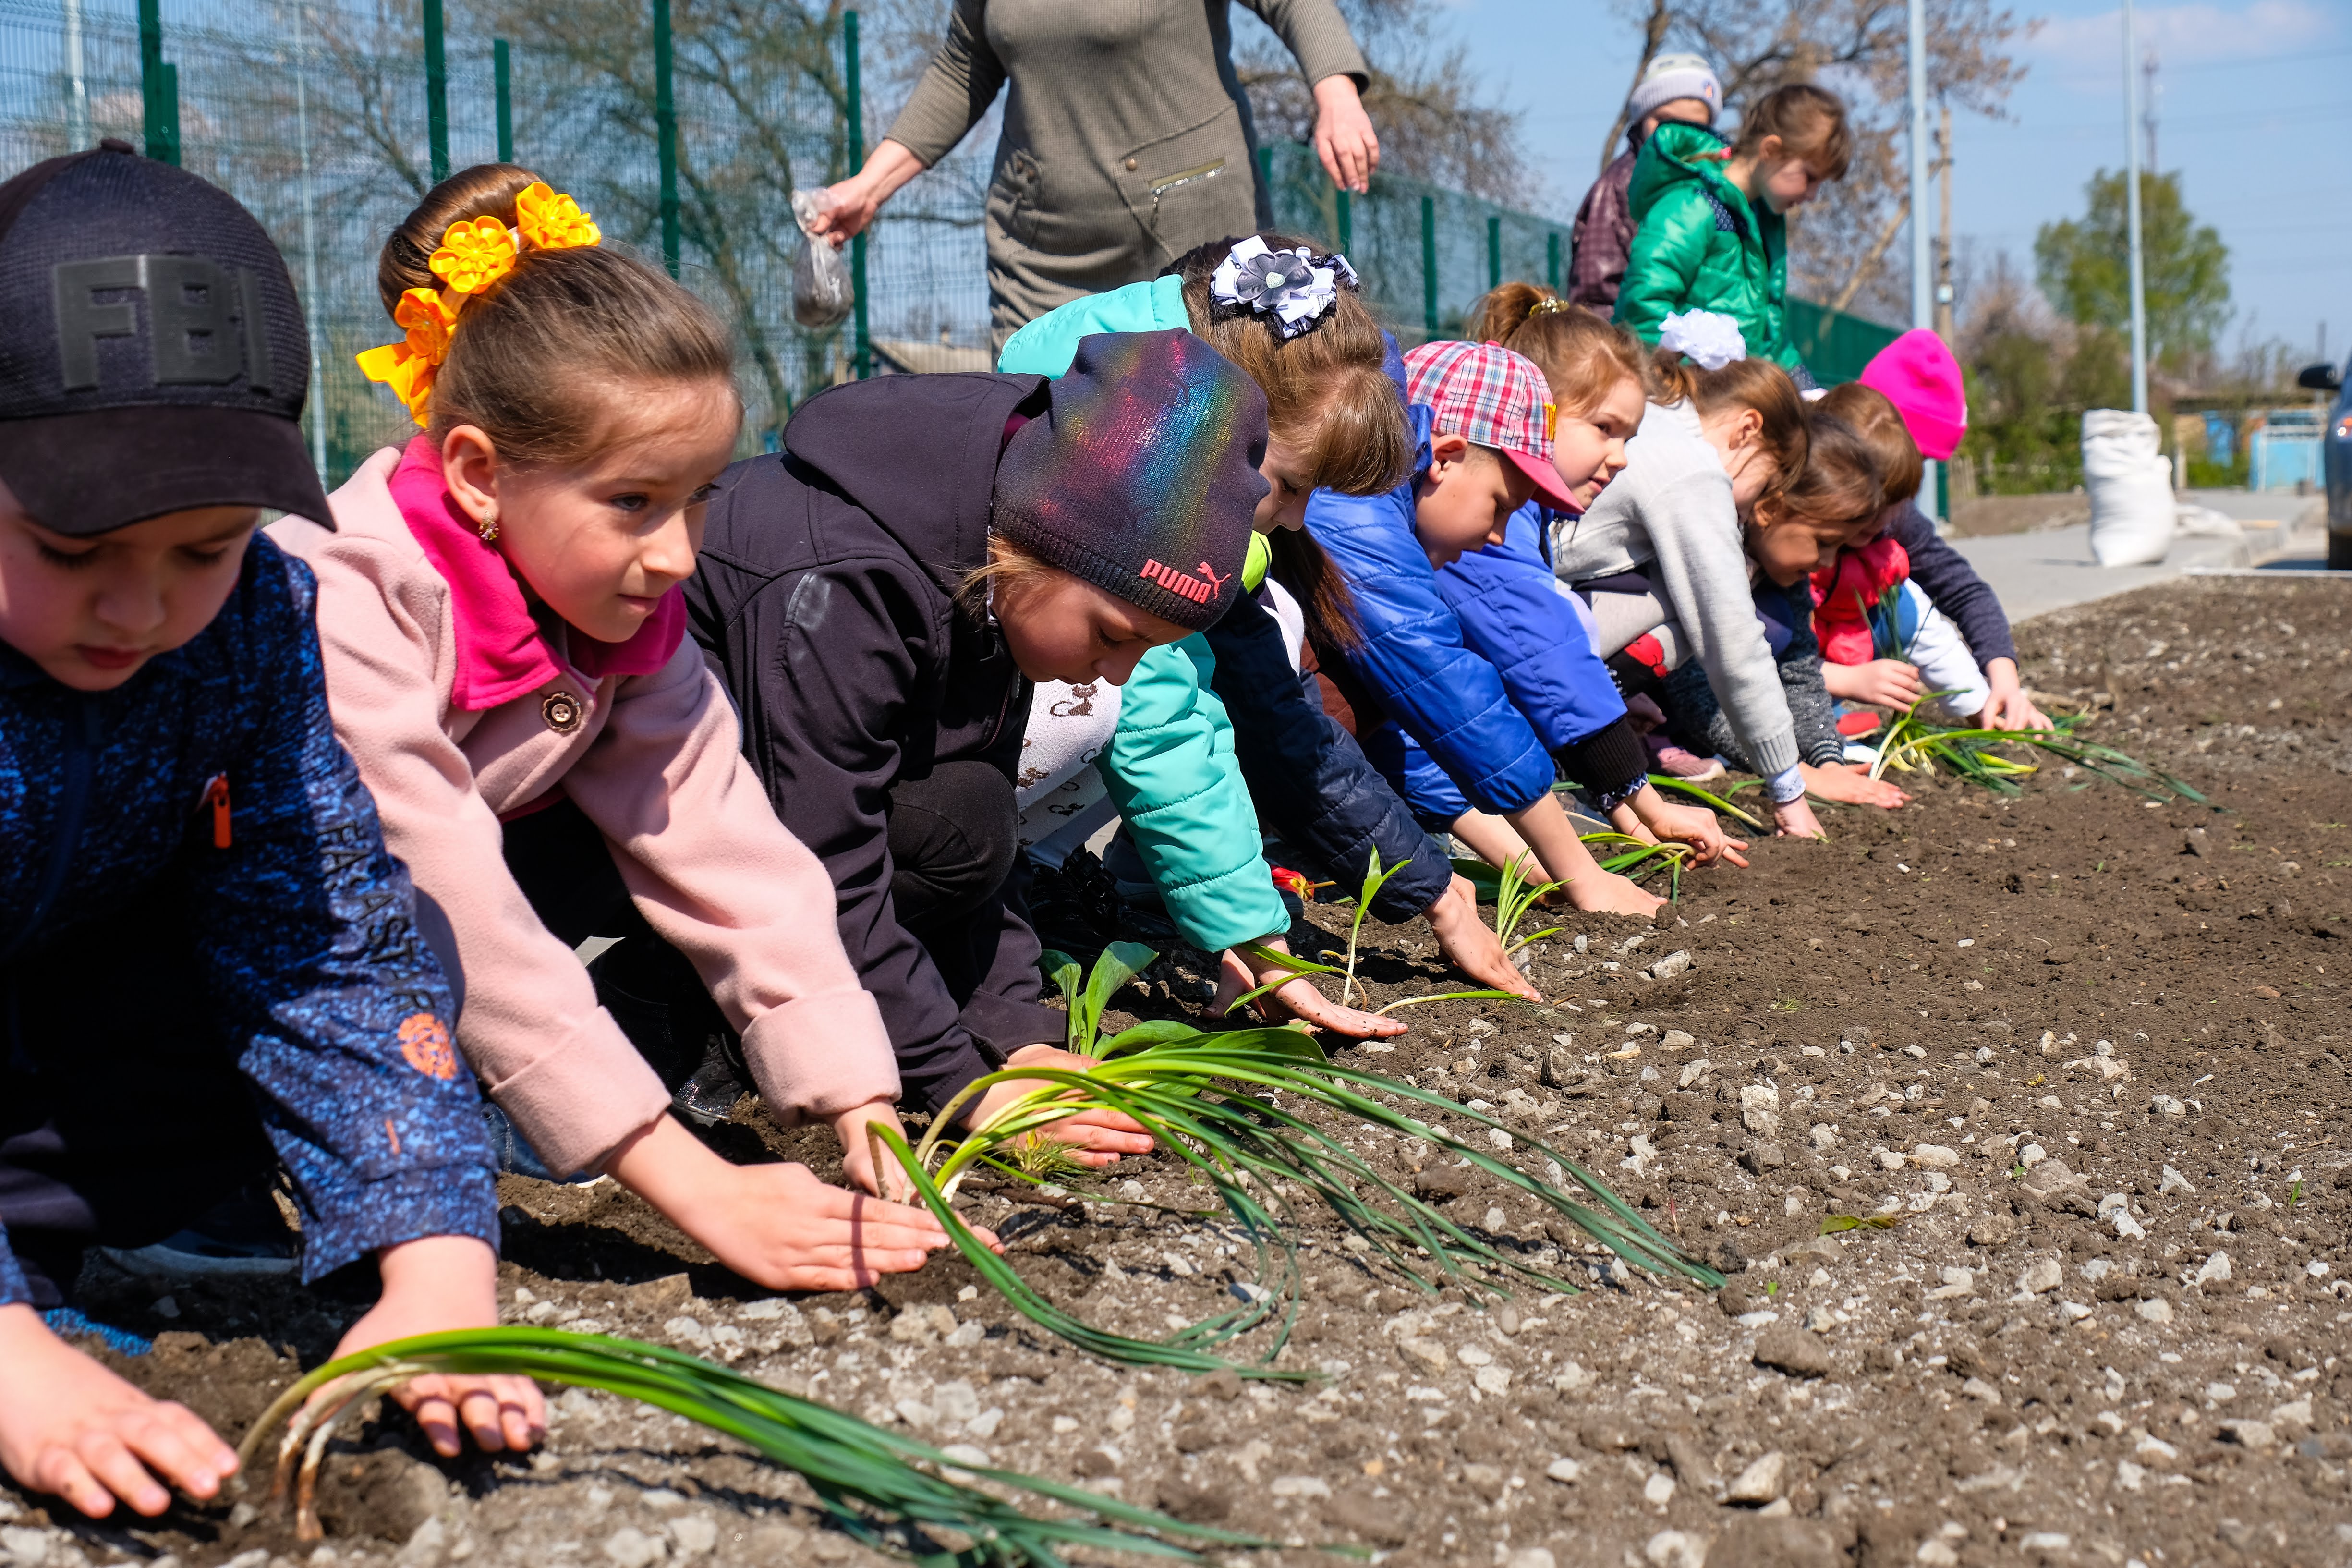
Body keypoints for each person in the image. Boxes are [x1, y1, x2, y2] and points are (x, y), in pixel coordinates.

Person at [276, 164, 958, 1295]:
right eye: (634, 503)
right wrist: (698, 1187)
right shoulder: (346, 589)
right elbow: (442, 894)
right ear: (480, 475)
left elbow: (720, 833)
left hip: (431, 920)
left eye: (696, 497)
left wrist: (858, 1089)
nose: (682, 552)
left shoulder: (617, 599)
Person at [0, 145, 540, 1523]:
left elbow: (321, 929)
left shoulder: (251, 623)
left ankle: (151, 1202)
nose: (143, 608)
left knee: (386, 912)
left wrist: (433, 1250)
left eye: (207, 544)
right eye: (74, 551)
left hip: (70, 982)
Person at [684, 329, 1266, 1159]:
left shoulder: (994, 560)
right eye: (1112, 636)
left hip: (767, 818)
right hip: (601, 831)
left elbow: (985, 845)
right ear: (1039, 545)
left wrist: (1015, 1033)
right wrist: (961, 1083)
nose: (1118, 679)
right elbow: (825, 862)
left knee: (969, 815)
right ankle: (660, 1010)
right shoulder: (840, 581)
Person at [997, 233, 1532, 1012]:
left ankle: (1040, 873)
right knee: (1120, 691)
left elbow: (1281, 722)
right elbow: (1161, 715)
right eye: (1283, 485)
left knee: (1265, 629)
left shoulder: (1189, 449)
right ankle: (1016, 880)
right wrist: (1251, 937)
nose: (1289, 521)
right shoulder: (1112, 454)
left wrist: (1437, 894)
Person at [1304, 339, 1666, 915]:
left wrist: (1525, 863)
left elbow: (1410, 733)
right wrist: (1580, 875)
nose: (1498, 535)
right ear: (1443, 459)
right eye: (1500, 505)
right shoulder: (1360, 507)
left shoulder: (1377, 501)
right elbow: (1452, 696)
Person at [812, 0, 1381, 347]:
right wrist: (869, 186)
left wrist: (1335, 92)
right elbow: (967, 59)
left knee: (1195, 455)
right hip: (1038, 244)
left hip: (1187, 233)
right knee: (1033, 448)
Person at [1444, 284, 1747, 867]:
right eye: (1605, 429)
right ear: (1538, 411)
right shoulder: (1484, 517)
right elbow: (1542, 655)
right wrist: (1644, 804)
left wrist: (1628, 808)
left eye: (1629, 436)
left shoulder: (1516, 510)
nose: (1622, 456)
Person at [1547, 310, 1826, 838]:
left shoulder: (1655, 419)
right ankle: (1563, 750)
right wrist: (1786, 786)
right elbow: (1731, 637)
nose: (1753, 510)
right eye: (1765, 484)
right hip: (1526, 620)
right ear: (1747, 429)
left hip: (1528, 597)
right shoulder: (1694, 470)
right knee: (1701, 598)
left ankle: (1588, 729)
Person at [1661, 404, 1911, 810]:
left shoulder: (1785, 571)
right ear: (1772, 509)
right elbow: (1695, 690)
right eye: (1824, 541)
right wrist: (1790, 770)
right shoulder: (1709, 556)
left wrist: (1826, 760)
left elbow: (1801, 670)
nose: (1829, 562)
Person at [1817, 333, 2051, 732]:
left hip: (1819, 659)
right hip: (1776, 662)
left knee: (1898, 594)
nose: (1894, 499)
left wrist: (2003, 684)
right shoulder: (1791, 495)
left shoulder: (1894, 515)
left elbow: (1962, 589)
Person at [1614, 83, 1852, 382]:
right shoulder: (1691, 208)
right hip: (1682, 398)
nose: (1813, 195)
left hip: (1726, 403)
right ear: (1771, 150)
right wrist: (1686, 381)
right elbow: (1643, 308)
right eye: (1810, 177)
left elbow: (1767, 336)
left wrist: (1803, 387)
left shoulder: (1762, 221)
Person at [1567, 53, 1722, 312]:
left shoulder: (1712, 187)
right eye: (1665, 122)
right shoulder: (1618, 188)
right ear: (1641, 121)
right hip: (1638, 344)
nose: (1676, 135)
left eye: (1694, 128)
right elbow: (1596, 298)